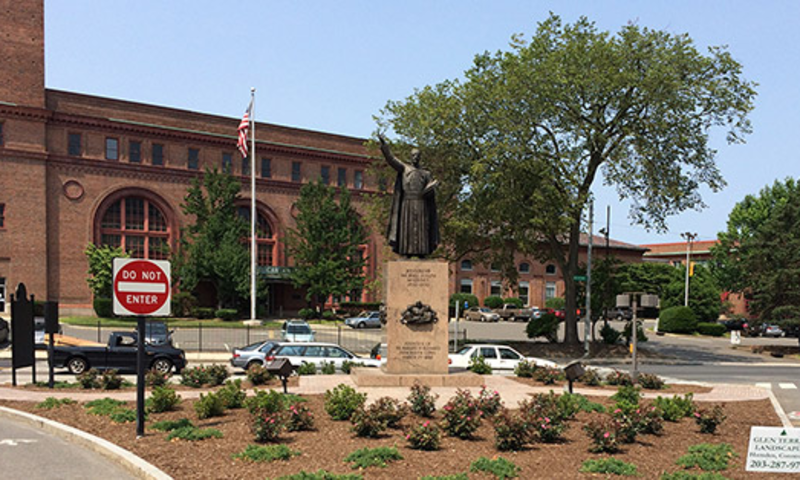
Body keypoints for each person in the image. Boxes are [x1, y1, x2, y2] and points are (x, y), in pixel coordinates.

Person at [378, 134, 439, 257]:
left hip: (422, 204)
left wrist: (432, 188)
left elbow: (430, 191)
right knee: (407, 229)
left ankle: (423, 252)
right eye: (413, 155)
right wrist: (385, 145)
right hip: (407, 203)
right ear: (410, 157)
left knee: (422, 228)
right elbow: (391, 159)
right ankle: (406, 252)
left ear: (420, 157)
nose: (415, 157)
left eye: (417, 155)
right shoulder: (404, 168)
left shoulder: (426, 173)